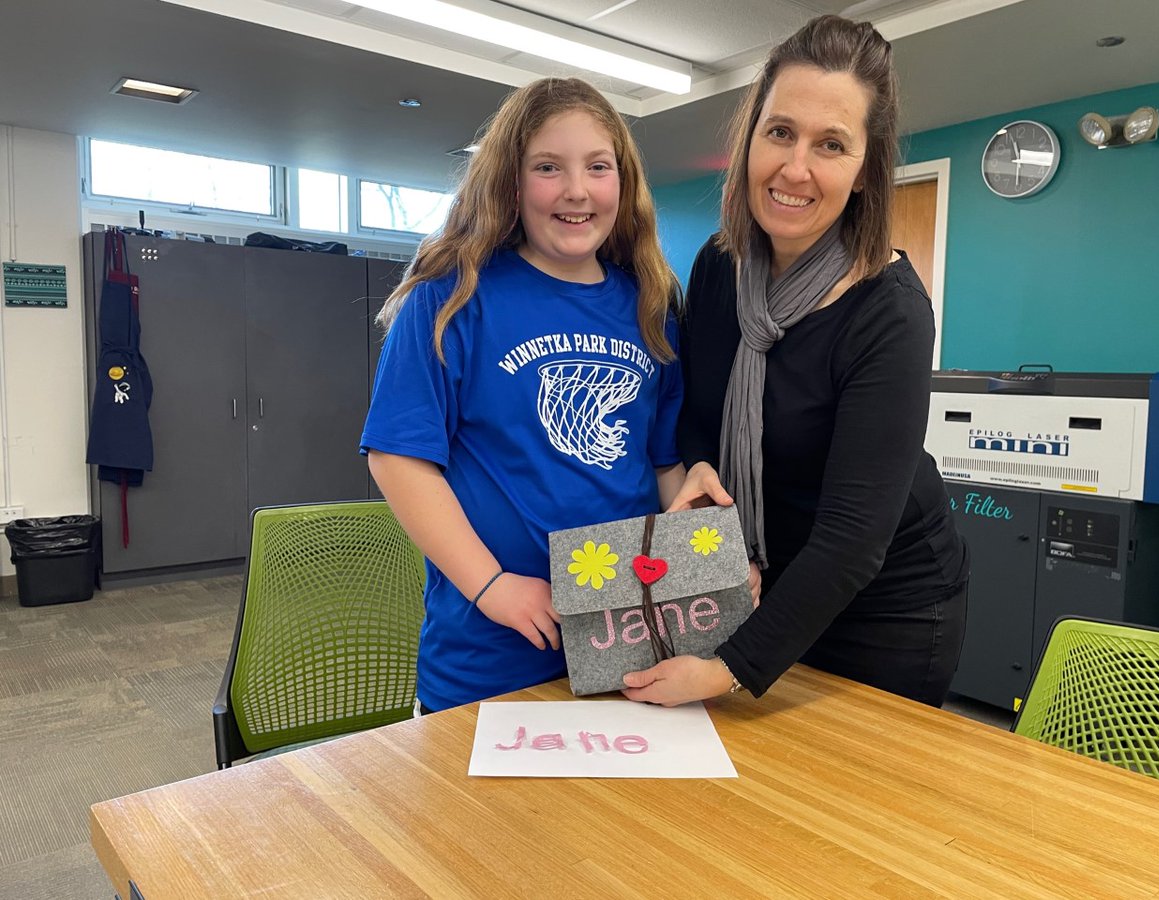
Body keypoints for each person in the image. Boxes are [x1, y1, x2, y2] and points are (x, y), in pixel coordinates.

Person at [622, 15, 969, 708]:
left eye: (831, 144)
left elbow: (853, 539)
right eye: (780, 132)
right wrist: (699, 467)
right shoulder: (719, 266)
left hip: (886, 610)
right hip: (760, 581)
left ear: (865, 171)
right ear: (750, 139)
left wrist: (728, 668)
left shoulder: (890, 313)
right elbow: (697, 411)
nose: (795, 168)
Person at [362, 78, 685, 714]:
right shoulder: (451, 297)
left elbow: (661, 466)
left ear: (623, 184)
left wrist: (713, 561)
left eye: (598, 167)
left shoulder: (652, 308)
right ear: (511, 183)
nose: (576, 190)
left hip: (630, 649)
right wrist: (492, 586)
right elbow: (397, 459)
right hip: (489, 657)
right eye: (548, 167)